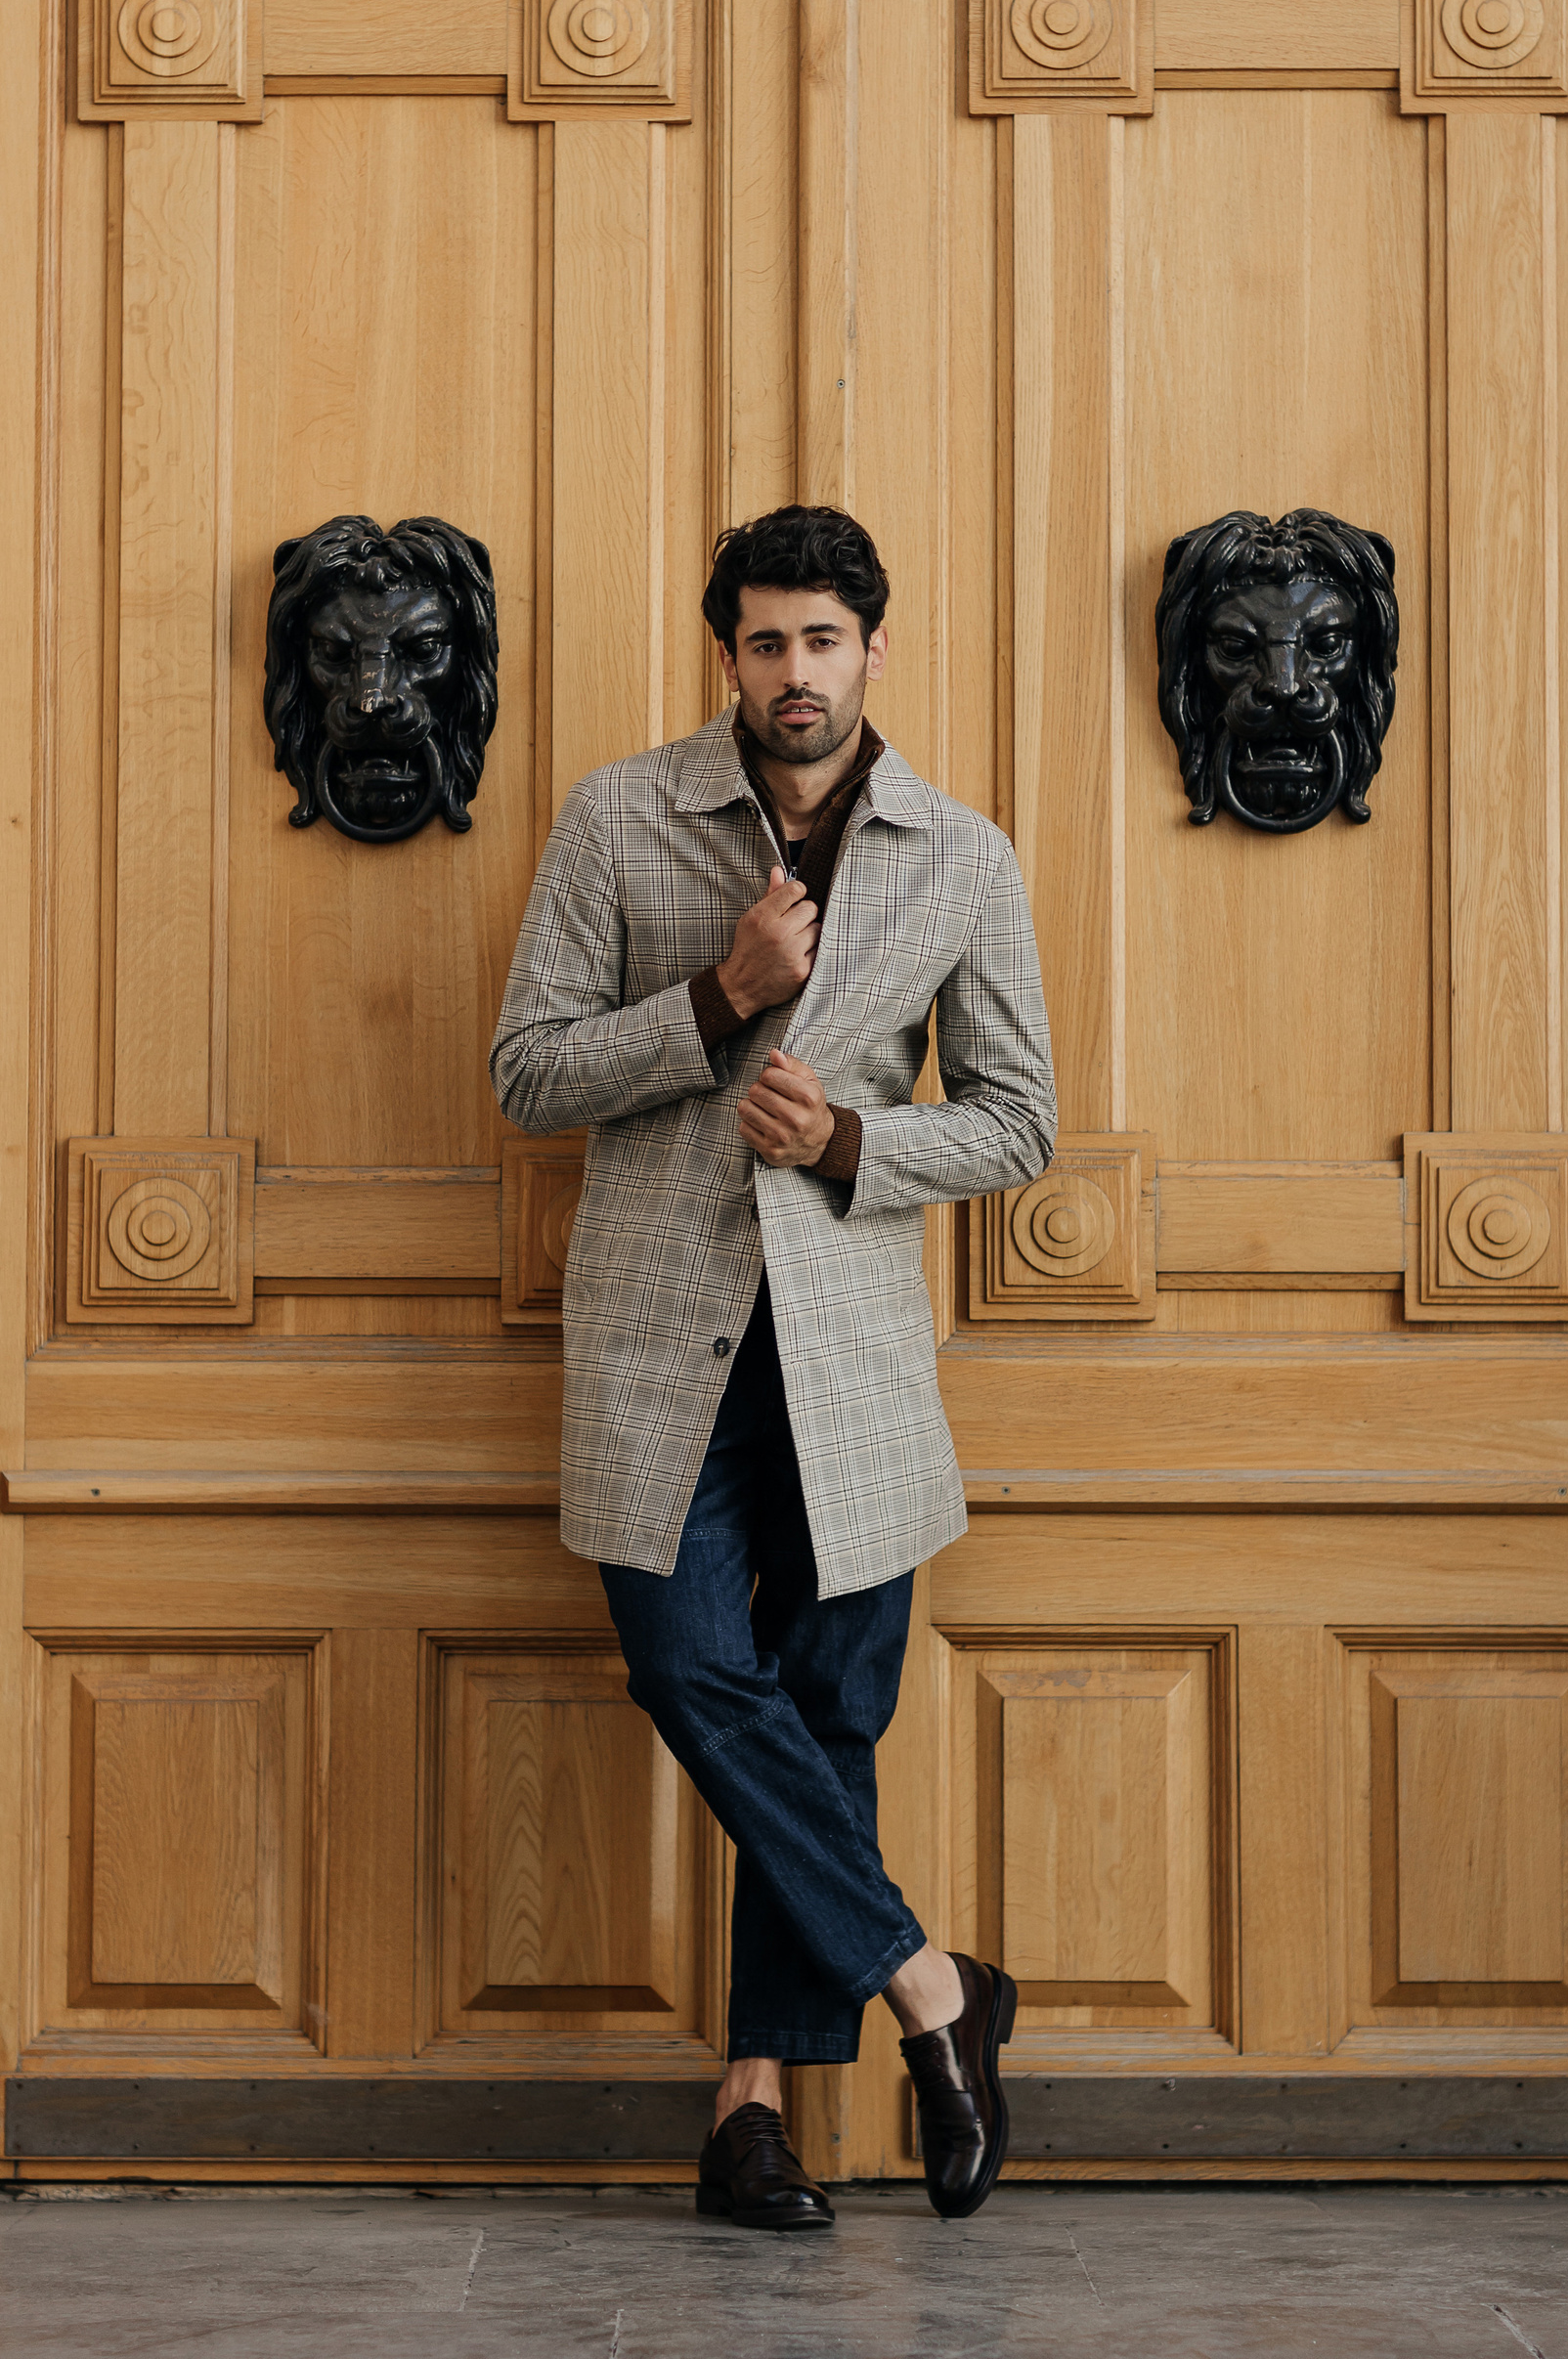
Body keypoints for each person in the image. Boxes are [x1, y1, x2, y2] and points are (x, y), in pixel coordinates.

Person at [493, 503, 1057, 2231]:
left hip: (851, 1361)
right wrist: (717, 999)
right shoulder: (619, 817)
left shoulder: (963, 856)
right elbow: (527, 1072)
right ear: (728, 655)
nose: (793, 673)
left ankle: (751, 2115)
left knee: (826, 1719)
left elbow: (1021, 1124)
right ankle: (935, 1990)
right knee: (688, 1669)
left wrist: (851, 1146)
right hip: (660, 1344)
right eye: (764, 642)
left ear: (872, 647)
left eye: (822, 640)